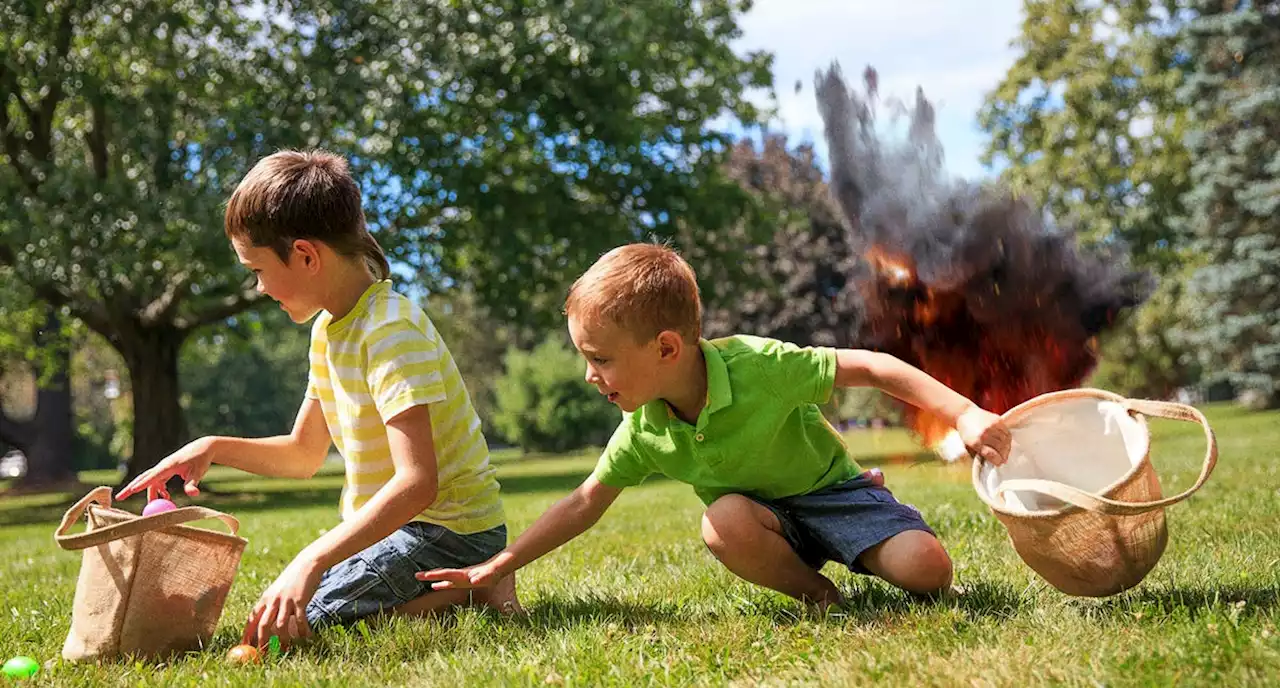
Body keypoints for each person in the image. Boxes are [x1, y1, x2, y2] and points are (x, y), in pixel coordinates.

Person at [421, 243, 1011, 609]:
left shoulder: (760, 367)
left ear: (667, 349)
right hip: (764, 523)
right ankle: (820, 597)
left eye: (599, 358)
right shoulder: (643, 428)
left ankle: (880, 526)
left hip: (834, 495)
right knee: (722, 520)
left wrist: (964, 413)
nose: (588, 375)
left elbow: (874, 366)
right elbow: (582, 503)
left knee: (927, 572)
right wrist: (498, 566)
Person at [116, 149, 518, 647]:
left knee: (291, 633)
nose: (258, 288)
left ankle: (475, 583)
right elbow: (304, 455)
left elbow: (418, 484)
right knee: (285, 616)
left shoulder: (392, 329)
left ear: (306, 256)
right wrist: (212, 447)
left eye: (257, 270)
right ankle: (461, 588)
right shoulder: (328, 331)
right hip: (392, 533)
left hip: (446, 532)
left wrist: (311, 559)